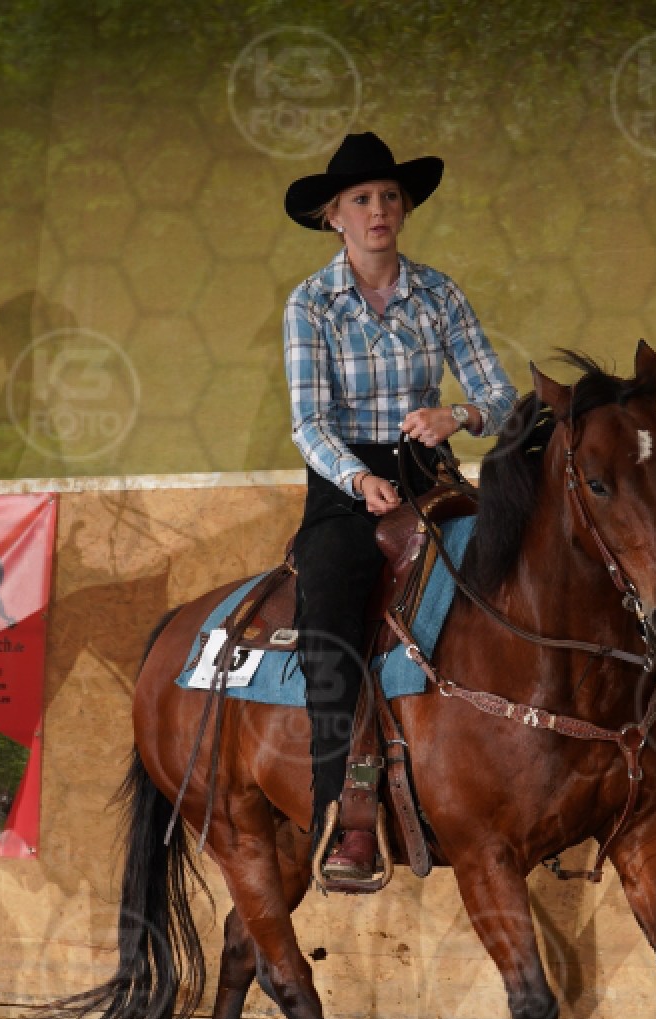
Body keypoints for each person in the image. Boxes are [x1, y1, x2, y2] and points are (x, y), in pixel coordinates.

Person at [281, 132, 518, 881]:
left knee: (508, 571)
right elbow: (309, 422)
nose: (378, 209)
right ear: (334, 217)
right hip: (346, 484)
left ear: (405, 208)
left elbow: (501, 396)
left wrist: (459, 415)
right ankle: (344, 805)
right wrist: (358, 481)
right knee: (335, 589)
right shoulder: (310, 303)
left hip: (430, 474)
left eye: (389, 196)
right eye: (360, 199)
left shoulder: (440, 293)